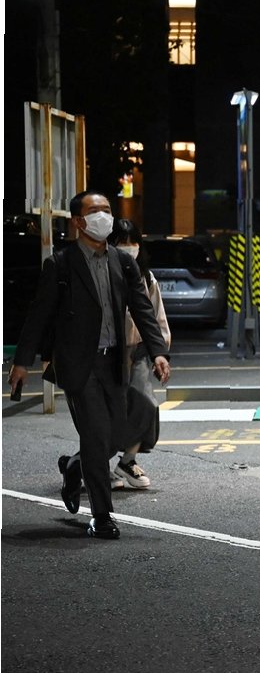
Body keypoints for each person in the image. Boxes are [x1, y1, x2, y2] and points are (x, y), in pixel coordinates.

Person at [8, 191, 171, 539]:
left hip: (116, 362)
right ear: (78, 221)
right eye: (95, 211)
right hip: (79, 365)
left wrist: (158, 351)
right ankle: (102, 514)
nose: (104, 216)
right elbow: (39, 315)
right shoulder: (61, 264)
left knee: (120, 433)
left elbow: (142, 309)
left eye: (107, 210)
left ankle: (74, 465)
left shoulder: (122, 262)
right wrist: (22, 362)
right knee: (96, 435)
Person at [107, 218, 171, 489]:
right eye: (122, 243)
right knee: (107, 410)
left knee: (145, 403)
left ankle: (127, 460)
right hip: (107, 351)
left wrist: (160, 352)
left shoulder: (146, 277)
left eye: (133, 242)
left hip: (140, 349)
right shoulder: (102, 273)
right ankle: (88, 464)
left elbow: (156, 316)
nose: (129, 247)